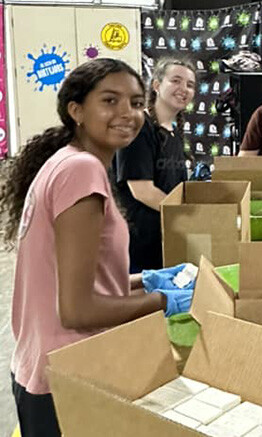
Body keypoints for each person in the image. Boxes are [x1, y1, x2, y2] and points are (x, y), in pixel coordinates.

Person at [0, 59, 194, 437]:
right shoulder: (81, 171)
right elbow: (78, 310)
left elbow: (78, 278)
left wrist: (145, 280)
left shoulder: (67, 163)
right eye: (110, 101)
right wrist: (164, 302)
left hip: (42, 368)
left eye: (137, 103)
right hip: (67, 378)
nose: (128, 113)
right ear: (76, 111)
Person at [114, 58, 196, 273]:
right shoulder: (138, 128)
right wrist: (191, 217)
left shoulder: (173, 133)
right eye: (176, 80)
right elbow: (142, 191)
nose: (183, 89)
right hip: (137, 244)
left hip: (164, 241)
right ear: (157, 85)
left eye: (190, 84)